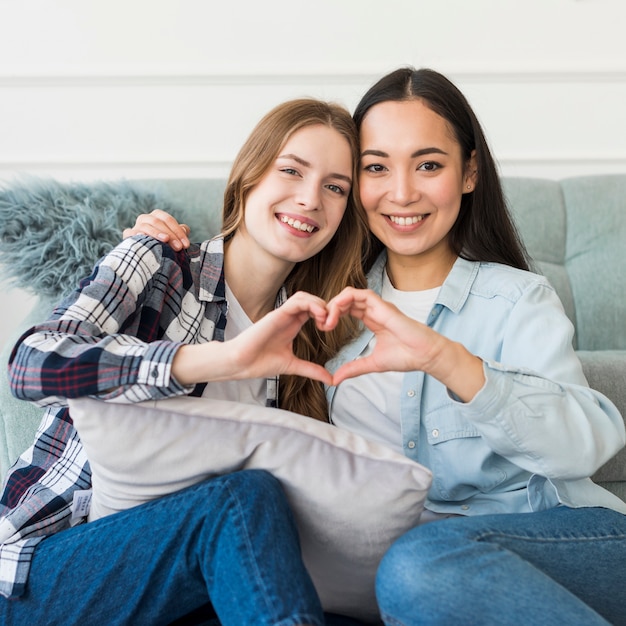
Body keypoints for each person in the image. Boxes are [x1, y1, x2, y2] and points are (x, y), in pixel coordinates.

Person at [133, 68, 626, 626]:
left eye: (429, 165)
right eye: (375, 168)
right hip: (404, 586)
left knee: (418, 563)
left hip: (566, 543)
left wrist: (445, 358)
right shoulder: (320, 309)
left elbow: (588, 444)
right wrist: (160, 247)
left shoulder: (515, 298)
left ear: (468, 174)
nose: (402, 192)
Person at [0, 98, 369, 625]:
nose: (311, 199)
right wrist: (208, 360)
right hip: (42, 571)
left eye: (335, 187)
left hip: (175, 587)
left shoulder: (305, 341)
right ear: (248, 178)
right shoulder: (156, 262)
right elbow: (31, 361)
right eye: (291, 170)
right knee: (241, 500)